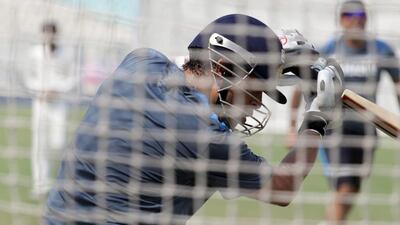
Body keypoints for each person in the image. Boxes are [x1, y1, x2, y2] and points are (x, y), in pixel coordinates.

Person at [43, 14, 340, 225]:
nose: (256, 105)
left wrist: (268, 52)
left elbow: (190, 70)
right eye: (256, 90)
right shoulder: (207, 139)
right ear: (223, 69)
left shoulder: (140, 61)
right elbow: (283, 187)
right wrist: (316, 118)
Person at [287, 1, 400, 224]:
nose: (355, 20)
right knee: (345, 188)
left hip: (367, 132)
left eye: (360, 15)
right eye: (349, 15)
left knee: (350, 190)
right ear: (341, 20)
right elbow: (300, 89)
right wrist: (292, 128)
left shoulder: (380, 50)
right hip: (335, 131)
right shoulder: (329, 50)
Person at [23, 21, 77, 197]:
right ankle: (40, 186)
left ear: (56, 34)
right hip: (39, 103)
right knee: (39, 144)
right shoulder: (34, 52)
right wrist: (38, 90)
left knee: (58, 143)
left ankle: (60, 181)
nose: (48, 36)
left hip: (59, 103)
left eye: (51, 33)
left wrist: (58, 90)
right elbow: (27, 77)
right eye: (44, 33)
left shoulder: (66, 53)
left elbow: (73, 77)